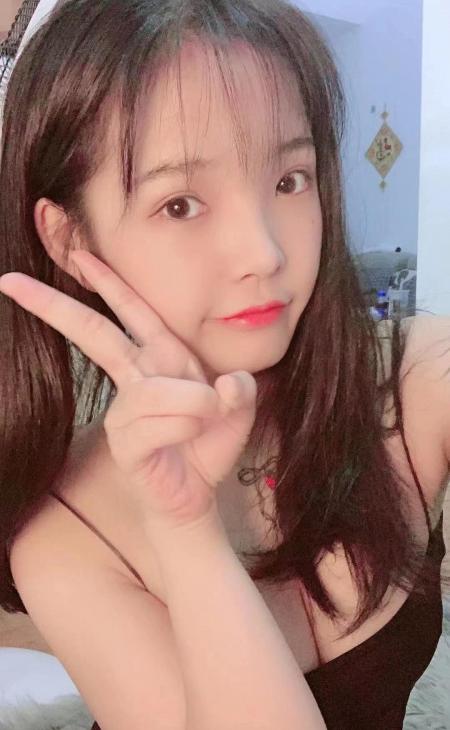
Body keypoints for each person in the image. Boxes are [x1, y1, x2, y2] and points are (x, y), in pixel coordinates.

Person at [0, 1, 448, 728]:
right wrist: (186, 532)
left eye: (290, 180)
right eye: (180, 204)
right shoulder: (64, 527)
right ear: (69, 238)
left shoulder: (415, 381)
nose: (264, 252)